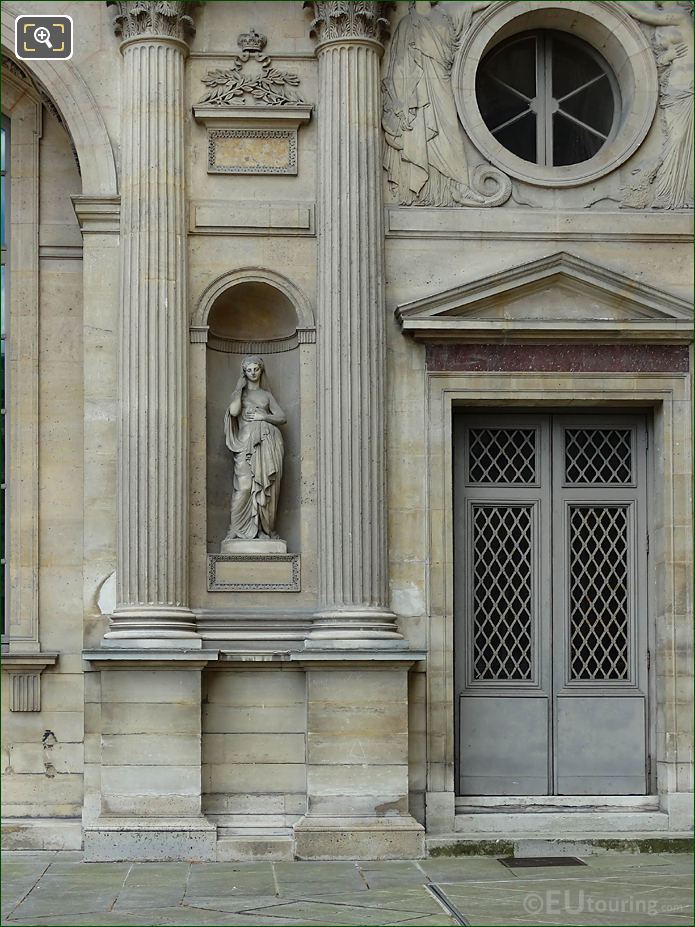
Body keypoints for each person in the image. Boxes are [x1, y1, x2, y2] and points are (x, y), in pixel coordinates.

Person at [623, 1, 693, 208]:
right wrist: (667, 56)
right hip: (673, 89)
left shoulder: (680, 16)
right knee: (675, 139)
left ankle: (673, 194)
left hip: (687, 88)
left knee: (680, 140)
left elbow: (640, 13)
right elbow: (662, 59)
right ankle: (666, 193)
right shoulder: (666, 19)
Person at [223, 355, 286, 542]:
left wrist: (263, 416)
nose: (252, 373)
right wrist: (238, 391)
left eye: (256, 369)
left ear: (261, 370)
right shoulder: (239, 395)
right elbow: (234, 412)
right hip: (244, 444)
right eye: (248, 370)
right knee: (244, 487)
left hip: (267, 444)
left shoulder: (267, 395)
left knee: (265, 485)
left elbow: (282, 417)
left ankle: (263, 530)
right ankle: (235, 528)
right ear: (244, 372)